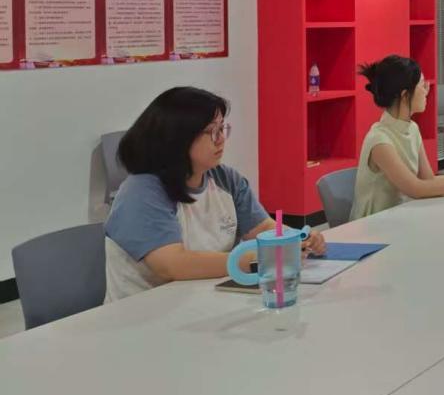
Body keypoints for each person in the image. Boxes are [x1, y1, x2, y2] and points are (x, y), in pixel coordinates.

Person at [104, 87, 325, 302]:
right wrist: (255, 259)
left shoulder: (224, 178)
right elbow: (172, 265)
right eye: (211, 132)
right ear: (178, 138)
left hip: (203, 301)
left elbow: (263, 228)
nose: (221, 139)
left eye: (222, 129)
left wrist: (297, 239)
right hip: (144, 312)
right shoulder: (141, 191)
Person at [351, 55, 444, 219]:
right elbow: (416, 189)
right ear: (405, 95)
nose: (427, 91)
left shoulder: (412, 128)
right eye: (422, 85)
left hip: (400, 216)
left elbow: (429, 180)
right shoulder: (380, 140)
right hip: (374, 223)